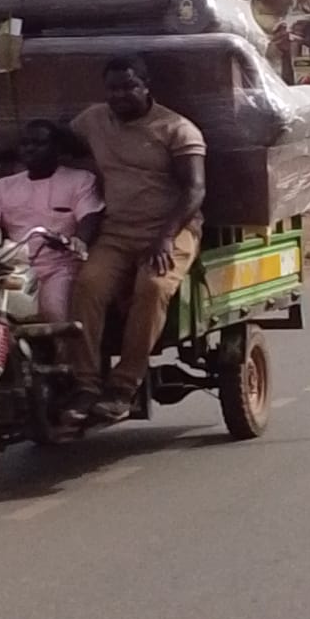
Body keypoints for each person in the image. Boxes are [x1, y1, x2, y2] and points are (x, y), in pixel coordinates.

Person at [63, 55, 206, 424]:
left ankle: (124, 387)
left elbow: (195, 190)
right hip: (117, 230)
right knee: (87, 287)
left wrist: (166, 236)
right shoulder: (94, 119)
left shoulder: (177, 129)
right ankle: (86, 384)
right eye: (113, 88)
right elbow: (54, 139)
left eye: (129, 86)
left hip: (171, 230)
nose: (120, 95)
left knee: (153, 288)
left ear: (146, 86)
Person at [0, 119, 104, 323]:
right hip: (13, 265)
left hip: (61, 265)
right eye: (25, 144)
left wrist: (79, 239)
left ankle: (62, 355)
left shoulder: (80, 179)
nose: (30, 149)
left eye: (38, 143)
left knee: (55, 313)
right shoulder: (3, 186)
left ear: (57, 148)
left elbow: (89, 215)